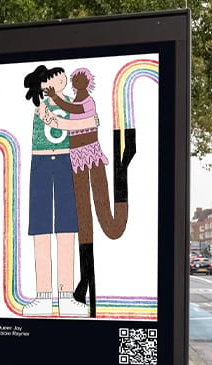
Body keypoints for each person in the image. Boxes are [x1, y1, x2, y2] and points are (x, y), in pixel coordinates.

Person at [43, 67, 129, 318]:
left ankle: (86, 284)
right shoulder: (77, 100)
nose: (76, 84)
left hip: (90, 158)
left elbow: (74, 115)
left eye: (78, 81)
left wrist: (55, 105)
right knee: (84, 220)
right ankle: (84, 283)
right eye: (74, 81)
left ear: (85, 84)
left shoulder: (86, 102)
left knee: (103, 215)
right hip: (75, 160)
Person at [22, 65, 93, 318]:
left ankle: (65, 296)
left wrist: (86, 118)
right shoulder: (42, 104)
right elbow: (61, 123)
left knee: (67, 226)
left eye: (61, 77)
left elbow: (72, 119)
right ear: (42, 85)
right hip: (41, 162)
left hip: (65, 161)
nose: (60, 80)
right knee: (40, 227)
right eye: (54, 78)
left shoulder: (71, 102)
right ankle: (42, 295)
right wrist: (90, 121)